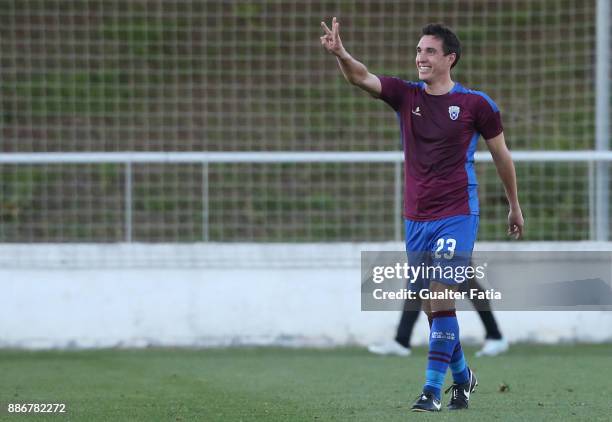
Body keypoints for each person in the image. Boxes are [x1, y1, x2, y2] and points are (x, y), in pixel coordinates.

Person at [320, 19, 523, 412]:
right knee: (434, 308)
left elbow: (502, 155)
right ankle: (463, 378)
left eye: (429, 51)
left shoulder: (476, 105)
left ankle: (431, 391)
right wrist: (342, 55)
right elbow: (361, 78)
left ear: (450, 58)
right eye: (418, 51)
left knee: (440, 294)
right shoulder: (406, 95)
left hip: (457, 213)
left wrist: (514, 204)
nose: (420, 57)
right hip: (415, 218)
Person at [368, 266, 509, 357]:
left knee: (465, 281)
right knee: (417, 280)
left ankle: (495, 336)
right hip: (429, 226)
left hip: (451, 227)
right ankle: (402, 340)